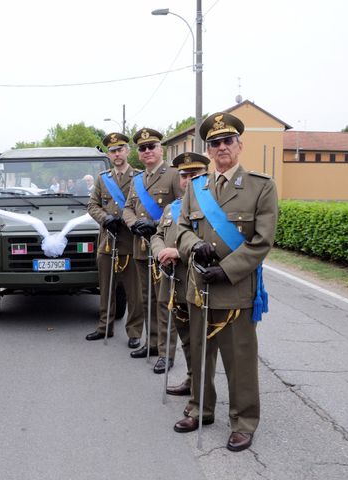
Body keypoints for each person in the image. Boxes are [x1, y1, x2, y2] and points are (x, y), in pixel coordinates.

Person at [173, 112, 278, 453]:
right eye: (214, 143)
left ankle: (244, 422)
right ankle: (199, 409)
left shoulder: (261, 187)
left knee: (240, 361)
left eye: (227, 141)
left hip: (235, 288)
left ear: (239, 145)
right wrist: (192, 246)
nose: (221, 147)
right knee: (200, 356)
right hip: (200, 287)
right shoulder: (197, 187)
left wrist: (228, 269)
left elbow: (262, 241)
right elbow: (181, 229)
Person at [150, 152, 210, 406]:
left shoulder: (212, 207)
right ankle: (190, 379)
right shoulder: (171, 208)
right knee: (185, 337)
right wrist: (159, 252)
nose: (187, 180)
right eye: (184, 176)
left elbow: (212, 245)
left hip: (197, 283)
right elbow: (157, 235)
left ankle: (202, 392)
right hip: (174, 281)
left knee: (200, 340)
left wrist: (178, 251)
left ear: (205, 176)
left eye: (193, 175)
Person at [123, 128, 183, 362]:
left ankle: (166, 352)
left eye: (152, 147)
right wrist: (134, 224)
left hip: (164, 250)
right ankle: (152, 344)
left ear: (161, 149)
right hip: (141, 248)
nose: (147, 151)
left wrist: (155, 223)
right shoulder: (137, 180)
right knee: (148, 299)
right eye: (143, 148)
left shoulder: (174, 175)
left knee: (166, 302)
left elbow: (182, 209)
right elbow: (128, 208)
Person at [85, 133, 143, 348]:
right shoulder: (103, 178)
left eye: (120, 149)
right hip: (107, 242)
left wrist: (130, 221)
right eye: (112, 151)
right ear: (108, 154)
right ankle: (104, 327)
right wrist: (105, 218)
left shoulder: (139, 177)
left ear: (127, 151)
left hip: (130, 241)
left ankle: (134, 332)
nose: (117, 154)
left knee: (133, 292)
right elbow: (92, 205)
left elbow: (143, 207)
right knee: (106, 289)